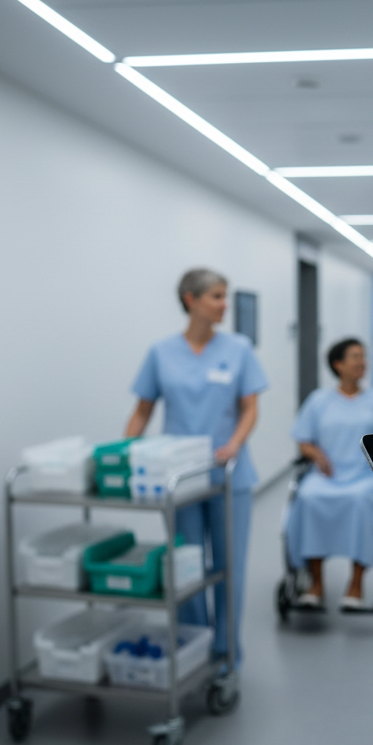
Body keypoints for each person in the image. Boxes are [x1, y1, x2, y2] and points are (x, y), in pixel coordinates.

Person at [126, 267, 268, 670]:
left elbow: (250, 408)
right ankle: (195, 646)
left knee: (228, 567)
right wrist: (124, 458)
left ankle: (226, 652)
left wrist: (234, 445)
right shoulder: (161, 352)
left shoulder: (239, 349)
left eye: (226, 296)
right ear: (191, 300)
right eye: (217, 297)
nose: (225, 305)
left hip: (229, 476)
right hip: (179, 478)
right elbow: (141, 412)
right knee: (186, 567)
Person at [285, 339, 373, 610]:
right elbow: (304, 440)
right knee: (308, 498)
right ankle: (315, 584)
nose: (362, 362)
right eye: (355, 357)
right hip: (327, 475)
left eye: (363, 357)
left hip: (364, 477)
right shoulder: (319, 400)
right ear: (338, 365)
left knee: (361, 501)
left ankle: (356, 584)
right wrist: (317, 455)